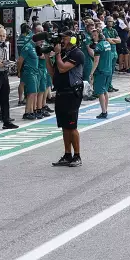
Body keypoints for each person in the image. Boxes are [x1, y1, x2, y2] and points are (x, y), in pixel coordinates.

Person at [50, 32, 85, 167]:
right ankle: (67, 154)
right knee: (64, 126)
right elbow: (53, 72)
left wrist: (57, 54)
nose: (62, 40)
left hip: (72, 93)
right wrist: (48, 57)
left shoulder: (77, 54)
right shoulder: (64, 53)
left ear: (72, 39)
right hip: (61, 92)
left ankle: (77, 155)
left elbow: (63, 68)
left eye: (64, 38)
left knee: (72, 126)